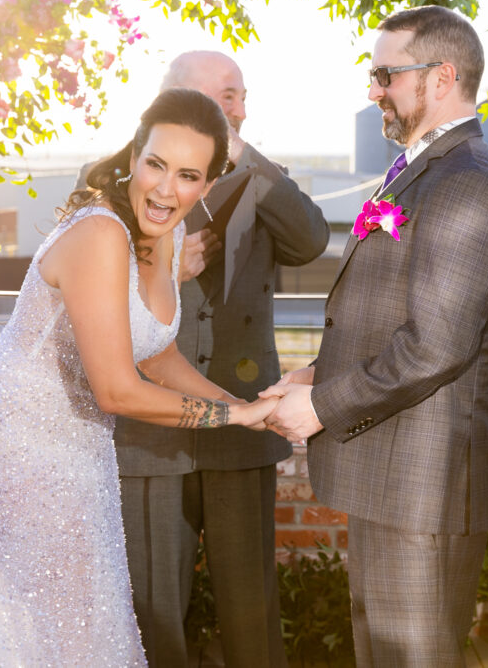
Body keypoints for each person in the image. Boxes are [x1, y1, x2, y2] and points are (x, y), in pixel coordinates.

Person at [0, 88, 278, 667]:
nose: (166, 189)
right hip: (12, 439)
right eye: (156, 165)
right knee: (47, 614)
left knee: (84, 610)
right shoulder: (101, 233)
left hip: (77, 440)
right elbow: (116, 388)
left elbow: (157, 356)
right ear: (135, 156)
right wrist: (235, 417)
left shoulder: (162, 238)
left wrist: (248, 405)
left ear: (208, 186)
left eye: (187, 175)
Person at [262, 6, 488, 667]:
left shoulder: (466, 183)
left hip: (423, 491)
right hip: (390, 476)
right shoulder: (420, 169)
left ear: (441, 78)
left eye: (386, 75)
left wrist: (319, 407)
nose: (374, 90)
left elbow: (437, 344)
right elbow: (390, 314)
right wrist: (320, 372)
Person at [112, 51, 329, 668]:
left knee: (251, 615)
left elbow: (311, 242)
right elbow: (82, 289)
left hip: (243, 424)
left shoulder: (263, 176)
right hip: (149, 433)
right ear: (170, 101)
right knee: (152, 615)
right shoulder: (115, 177)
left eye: (237, 97)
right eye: (217, 97)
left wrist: (247, 156)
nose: (231, 109)